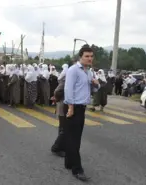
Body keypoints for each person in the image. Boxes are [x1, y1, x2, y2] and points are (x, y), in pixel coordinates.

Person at [63, 45, 100, 181]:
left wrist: (96, 84)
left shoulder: (88, 72)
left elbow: (93, 89)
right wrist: (71, 107)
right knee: (74, 139)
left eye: (91, 56)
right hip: (74, 107)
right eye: (87, 56)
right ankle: (77, 169)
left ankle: (68, 162)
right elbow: (68, 89)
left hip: (82, 108)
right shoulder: (73, 70)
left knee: (74, 138)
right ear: (81, 57)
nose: (90, 58)